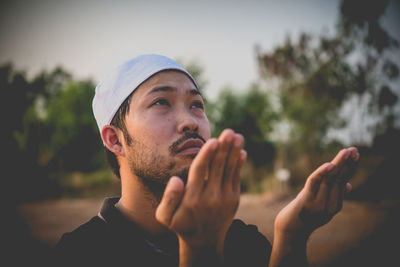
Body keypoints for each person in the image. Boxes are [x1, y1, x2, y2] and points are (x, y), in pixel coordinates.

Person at [54, 54, 359, 267]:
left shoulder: (242, 241)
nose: (190, 122)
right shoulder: (79, 254)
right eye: (161, 102)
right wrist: (200, 252)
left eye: (197, 105)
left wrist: (292, 235)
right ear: (114, 139)